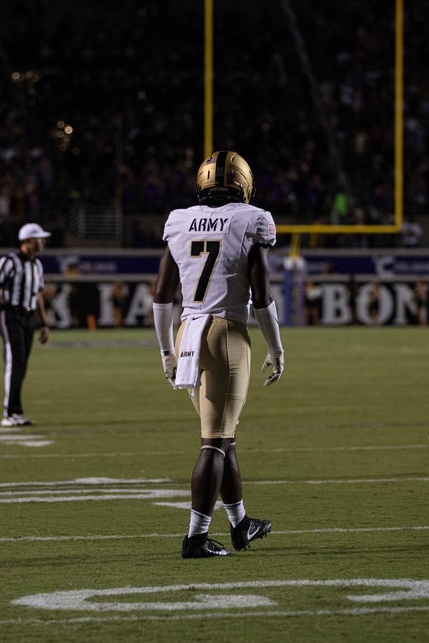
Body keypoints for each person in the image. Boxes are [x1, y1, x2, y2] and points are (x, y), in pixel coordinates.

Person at [152, 150, 284, 559]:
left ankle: (241, 523)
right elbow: (261, 298)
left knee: (224, 436)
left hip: (187, 336)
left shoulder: (178, 220)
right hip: (225, 334)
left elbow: (161, 297)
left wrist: (165, 352)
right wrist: (277, 347)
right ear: (243, 183)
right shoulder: (252, 219)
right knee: (215, 440)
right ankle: (195, 538)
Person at [0, 222, 52, 427]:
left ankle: (15, 411)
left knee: (21, 364)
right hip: (10, 314)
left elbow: (38, 296)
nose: (43, 242)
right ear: (27, 241)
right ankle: (9, 412)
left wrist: (43, 323)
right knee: (14, 362)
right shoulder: (10, 261)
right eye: (39, 238)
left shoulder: (37, 265)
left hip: (28, 317)